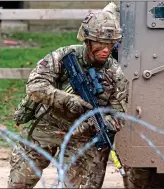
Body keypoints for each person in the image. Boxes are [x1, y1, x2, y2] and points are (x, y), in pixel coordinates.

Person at [7, 2, 129, 188]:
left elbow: (118, 113)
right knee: (19, 182)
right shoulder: (64, 57)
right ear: (87, 40)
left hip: (84, 135)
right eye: (100, 43)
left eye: (111, 44)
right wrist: (66, 99)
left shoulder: (116, 73)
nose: (106, 49)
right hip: (48, 124)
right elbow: (35, 85)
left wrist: (96, 124)